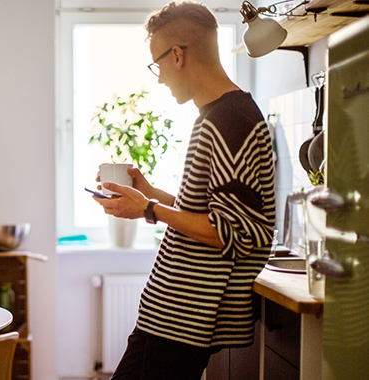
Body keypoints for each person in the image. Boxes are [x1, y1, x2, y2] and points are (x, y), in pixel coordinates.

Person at [93, 2, 276, 379]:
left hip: (184, 317)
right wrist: (151, 194)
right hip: (168, 313)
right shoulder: (216, 116)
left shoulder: (230, 121)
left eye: (156, 64)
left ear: (177, 55)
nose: (158, 77)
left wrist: (147, 209)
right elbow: (212, 212)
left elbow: (232, 233)